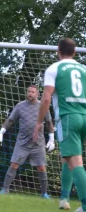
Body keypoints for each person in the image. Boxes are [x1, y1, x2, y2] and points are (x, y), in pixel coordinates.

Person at [34, 38, 86, 212]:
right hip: (84, 116)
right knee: (66, 158)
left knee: (75, 161)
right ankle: (64, 198)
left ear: (58, 50)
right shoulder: (83, 69)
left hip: (68, 117)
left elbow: (47, 97)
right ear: (75, 52)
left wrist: (39, 122)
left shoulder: (54, 69)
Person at [0, 85, 54, 198]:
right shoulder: (20, 106)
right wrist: (1, 132)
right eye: (28, 91)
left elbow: (49, 122)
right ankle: (5, 190)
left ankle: (44, 194)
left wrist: (51, 139)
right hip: (22, 143)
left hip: (38, 143)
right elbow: (10, 120)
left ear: (37, 94)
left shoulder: (43, 106)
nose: (30, 94)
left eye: (33, 92)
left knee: (41, 167)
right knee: (14, 165)